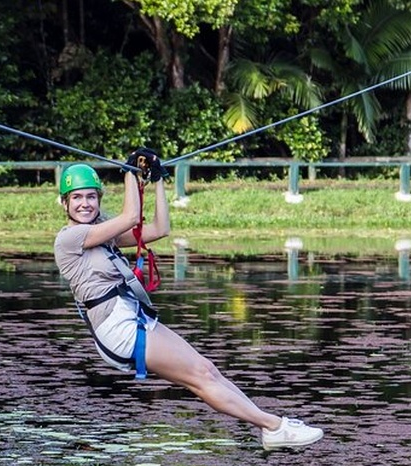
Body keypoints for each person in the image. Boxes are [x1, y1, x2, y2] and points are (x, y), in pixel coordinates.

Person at [53, 149, 323, 450]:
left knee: (206, 369)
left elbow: (159, 229)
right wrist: (130, 171)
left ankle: (272, 426)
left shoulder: (101, 233)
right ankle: (273, 426)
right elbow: (130, 216)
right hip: (117, 329)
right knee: (198, 377)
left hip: (131, 316)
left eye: (91, 197)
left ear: (99, 200)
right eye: (76, 198)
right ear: (64, 203)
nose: (85, 204)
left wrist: (157, 180)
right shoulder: (69, 239)